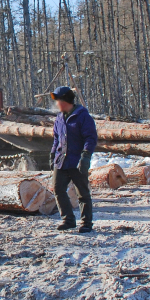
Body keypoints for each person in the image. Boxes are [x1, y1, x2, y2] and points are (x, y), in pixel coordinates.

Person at [49, 86, 98, 233]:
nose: (57, 103)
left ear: (66, 100)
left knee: (82, 193)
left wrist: (86, 156)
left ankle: (86, 223)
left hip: (77, 160)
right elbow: (56, 139)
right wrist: (52, 155)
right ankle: (68, 220)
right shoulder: (59, 118)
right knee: (58, 188)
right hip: (61, 160)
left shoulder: (83, 116)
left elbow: (90, 138)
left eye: (59, 100)